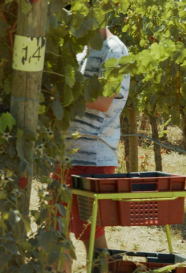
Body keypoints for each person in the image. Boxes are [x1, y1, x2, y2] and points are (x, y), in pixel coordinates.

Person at [58, 17, 131, 273]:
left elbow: (103, 101)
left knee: (90, 235)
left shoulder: (115, 50)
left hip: (93, 157)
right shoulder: (82, 50)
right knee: (55, 231)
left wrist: (60, 91)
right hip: (65, 154)